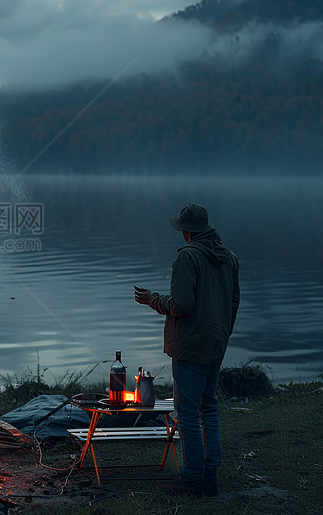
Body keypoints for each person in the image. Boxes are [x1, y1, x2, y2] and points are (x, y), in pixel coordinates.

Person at [134, 203, 239, 498]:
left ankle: (191, 478)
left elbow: (181, 304)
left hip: (190, 347)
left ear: (187, 232)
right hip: (215, 345)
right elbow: (233, 303)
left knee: (189, 413)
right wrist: (222, 335)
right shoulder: (229, 258)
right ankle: (210, 477)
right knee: (210, 409)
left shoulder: (188, 258)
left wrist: (152, 300)